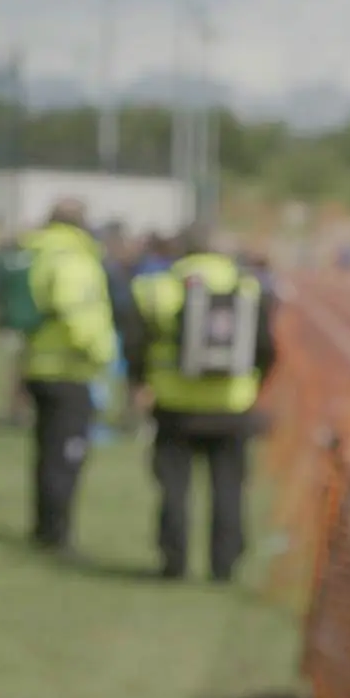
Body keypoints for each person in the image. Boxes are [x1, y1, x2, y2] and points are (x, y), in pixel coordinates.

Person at [118, 227, 279, 582]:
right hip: (231, 405)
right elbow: (267, 349)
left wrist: (139, 384)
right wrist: (253, 385)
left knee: (173, 487)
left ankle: (173, 559)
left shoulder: (156, 288)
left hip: (175, 405)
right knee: (229, 489)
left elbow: (135, 345)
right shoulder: (250, 288)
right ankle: (224, 565)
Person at [6, 200, 118, 556]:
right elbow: (76, 309)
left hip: (38, 365)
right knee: (66, 455)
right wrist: (102, 354)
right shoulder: (73, 259)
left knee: (46, 453)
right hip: (69, 370)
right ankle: (57, 534)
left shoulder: (37, 251)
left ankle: (44, 526)